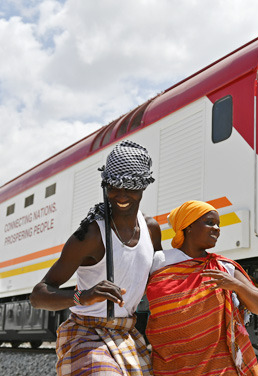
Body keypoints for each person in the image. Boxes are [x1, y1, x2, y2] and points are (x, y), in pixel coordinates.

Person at [30, 140, 162, 376]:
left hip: (126, 333)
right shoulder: (91, 235)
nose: (121, 194)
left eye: (130, 186)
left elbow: (162, 280)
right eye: (113, 186)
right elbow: (38, 296)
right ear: (105, 185)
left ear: (143, 186)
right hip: (85, 333)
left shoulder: (151, 229)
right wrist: (85, 296)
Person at [146, 200, 258, 376]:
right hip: (170, 366)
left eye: (218, 225)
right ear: (188, 227)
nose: (217, 228)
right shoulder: (160, 262)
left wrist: (236, 285)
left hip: (219, 367)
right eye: (210, 223)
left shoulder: (223, 267)